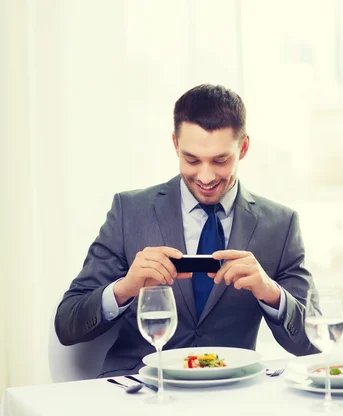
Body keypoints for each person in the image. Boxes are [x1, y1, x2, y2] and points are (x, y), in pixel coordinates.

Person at [55, 84, 318, 377]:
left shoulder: (280, 225)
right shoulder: (129, 211)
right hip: (138, 392)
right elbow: (67, 324)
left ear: (243, 148)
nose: (205, 177)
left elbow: (312, 344)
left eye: (220, 160)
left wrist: (270, 292)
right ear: (175, 145)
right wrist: (125, 287)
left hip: (230, 393)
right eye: (191, 160)